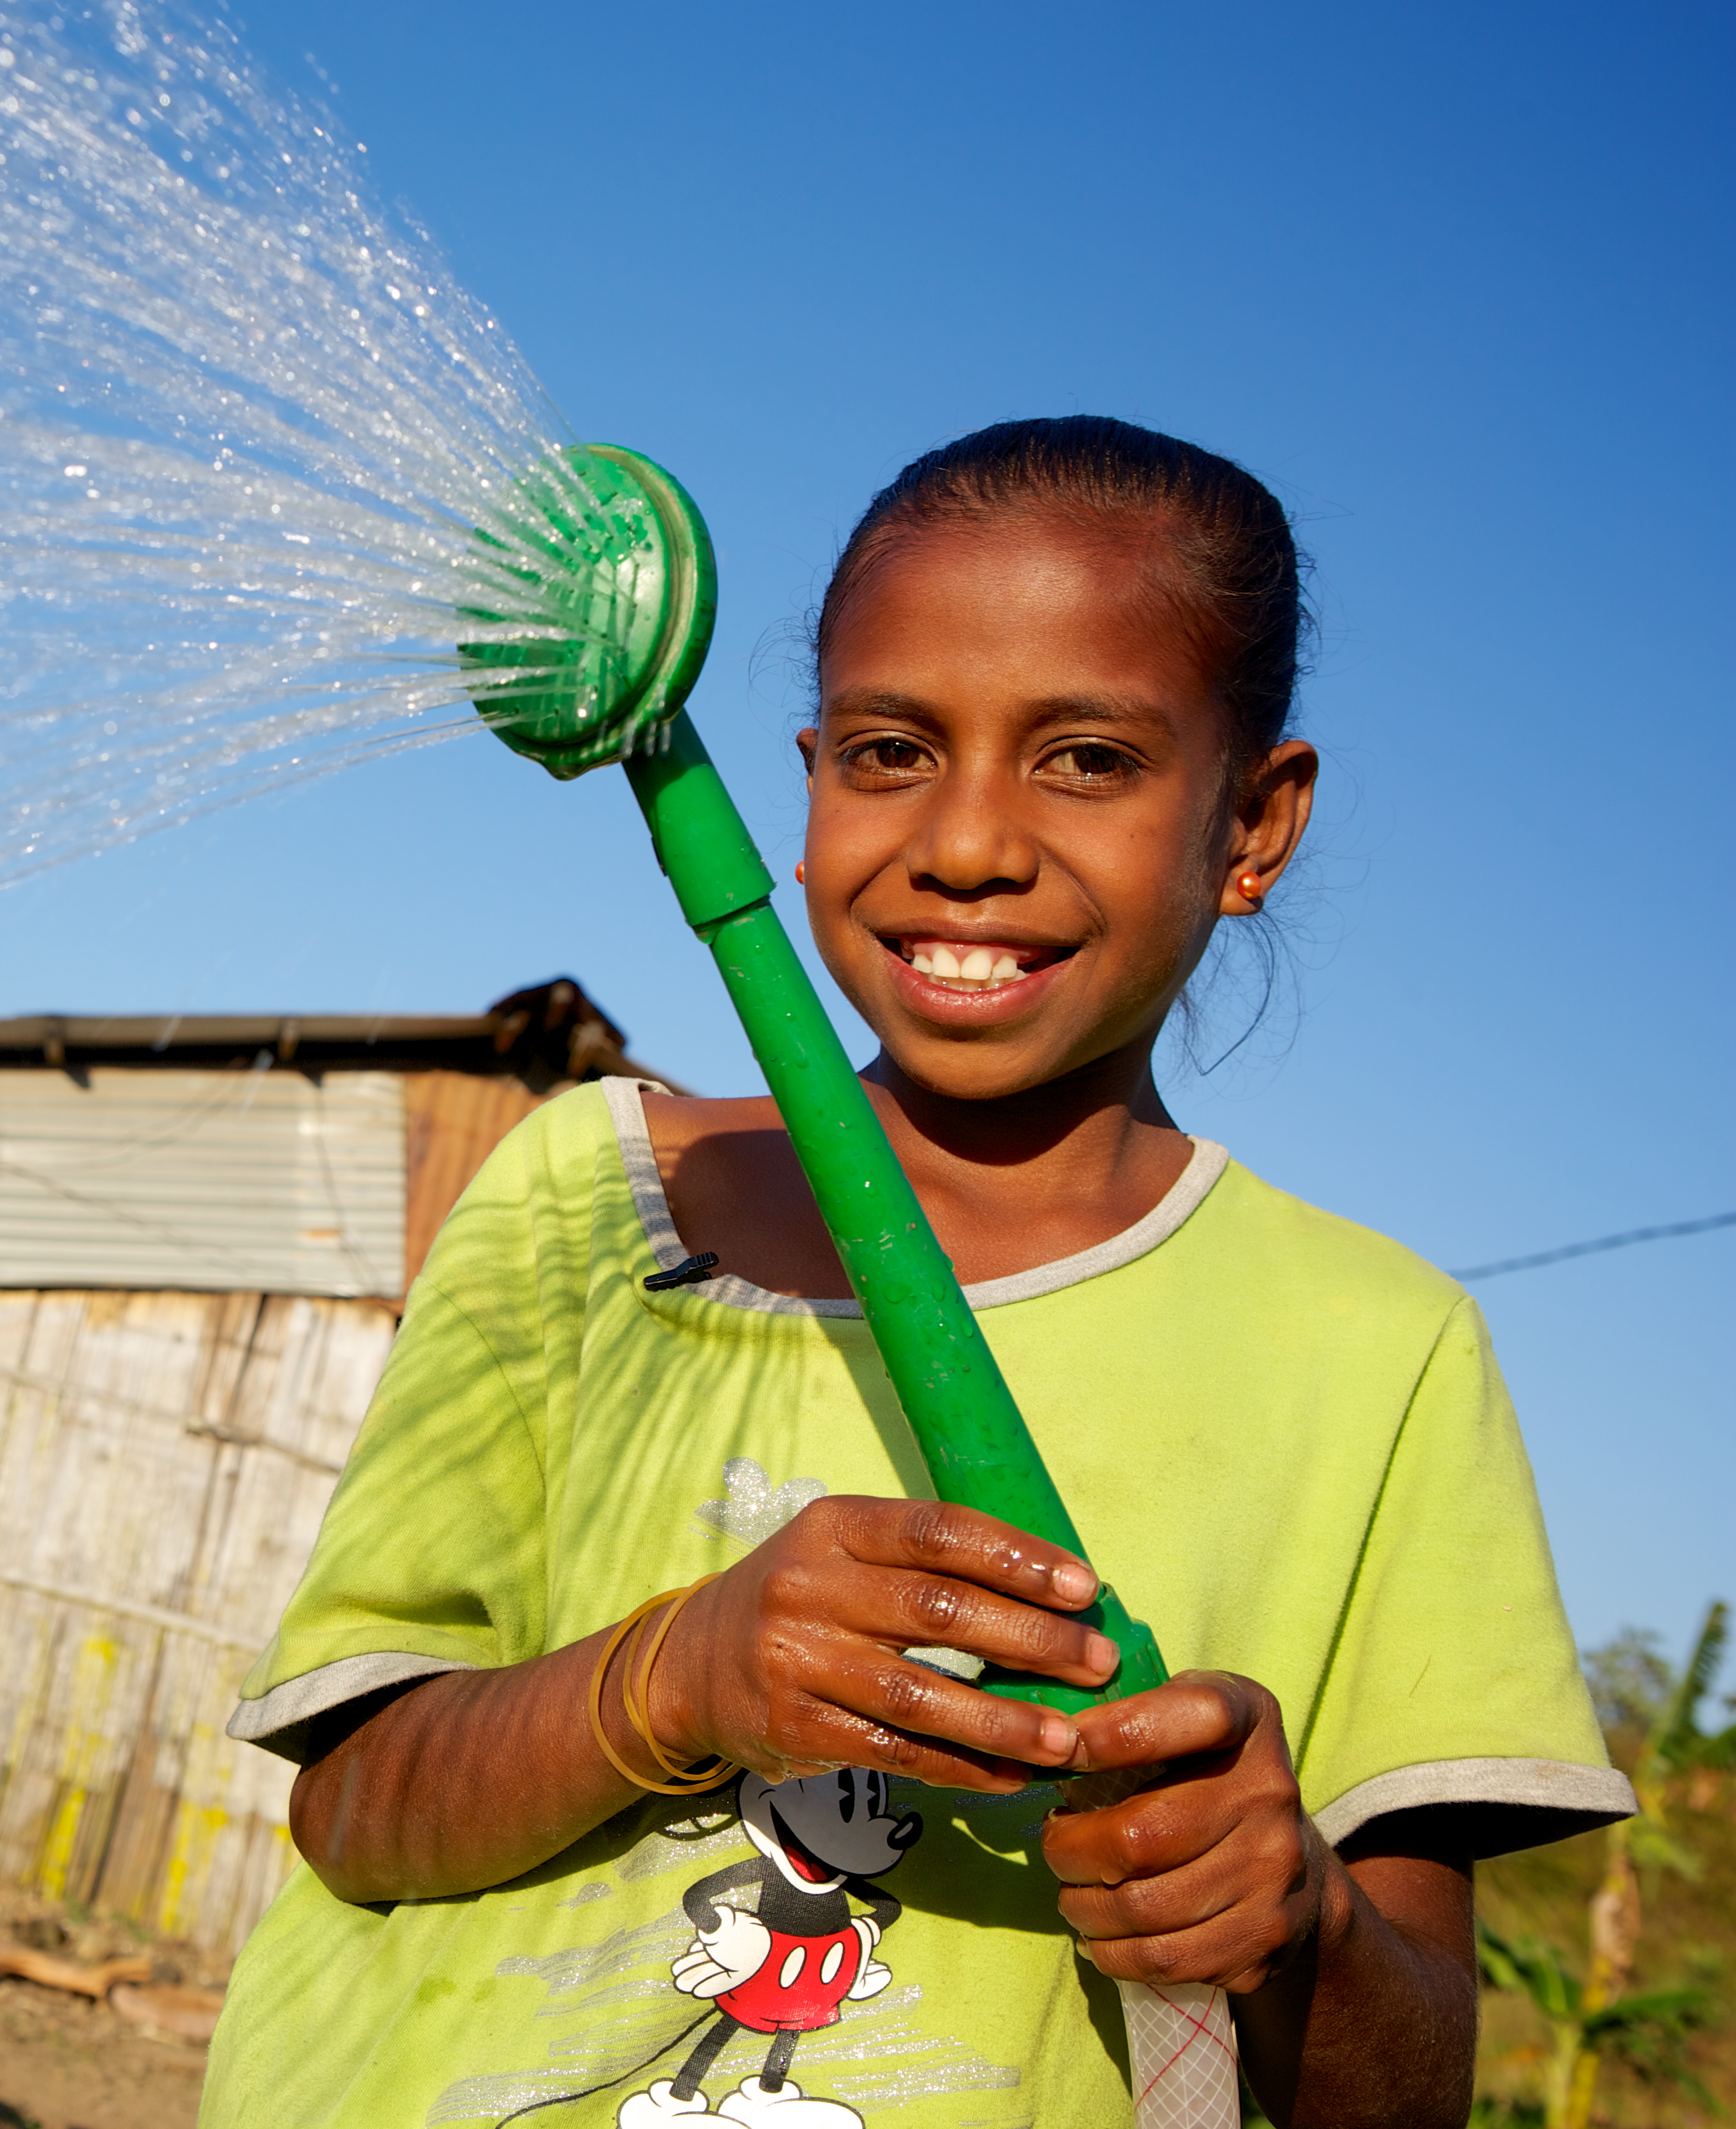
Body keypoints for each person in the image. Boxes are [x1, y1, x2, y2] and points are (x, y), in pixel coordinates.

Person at [202, 417, 1630, 2129]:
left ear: (1253, 822)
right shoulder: (589, 1200)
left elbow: (1404, 2095)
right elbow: (355, 1812)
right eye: (890, 751)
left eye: (1086, 759)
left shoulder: (1378, 1355)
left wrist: (1284, 1913)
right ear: (804, 793)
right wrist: (678, 1673)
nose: (964, 843)